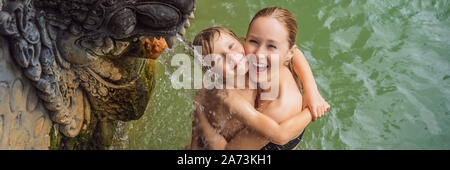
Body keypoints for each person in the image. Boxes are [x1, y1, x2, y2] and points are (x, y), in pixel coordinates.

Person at [190, 7, 330, 150]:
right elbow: (295, 53)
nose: (258, 54)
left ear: (288, 52)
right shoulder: (243, 57)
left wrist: (311, 108)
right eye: (254, 41)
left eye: (271, 46)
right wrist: (312, 90)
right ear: (243, 39)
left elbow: (279, 136)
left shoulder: (280, 104)